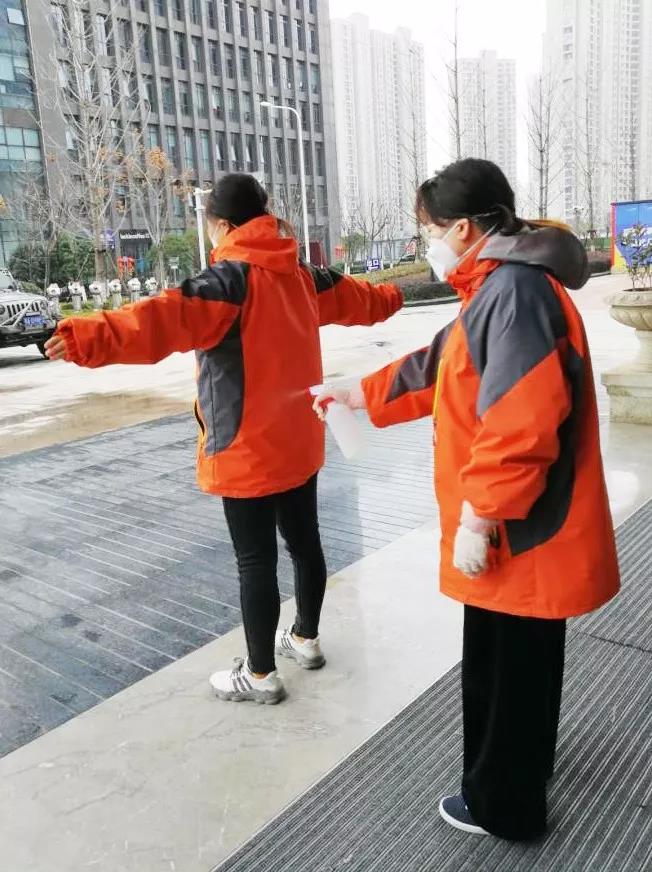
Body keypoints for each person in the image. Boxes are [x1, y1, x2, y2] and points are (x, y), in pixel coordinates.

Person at [314, 158, 620, 840]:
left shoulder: (513, 292)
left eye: (429, 230)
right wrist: (357, 394)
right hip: (522, 520)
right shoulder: (498, 287)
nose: (428, 242)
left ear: (462, 227)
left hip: (519, 525)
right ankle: (522, 772)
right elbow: (438, 367)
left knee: (505, 669)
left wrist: (479, 518)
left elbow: (521, 421)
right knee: (521, 662)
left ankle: (503, 806)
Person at [45, 173, 403, 705]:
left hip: (245, 446)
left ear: (220, 224)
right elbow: (363, 299)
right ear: (265, 213)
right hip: (299, 437)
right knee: (305, 543)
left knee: (255, 561)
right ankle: (305, 639)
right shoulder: (302, 275)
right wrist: (395, 294)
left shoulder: (227, 283)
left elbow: (156, 321)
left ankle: (259, 674)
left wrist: (82, 336)